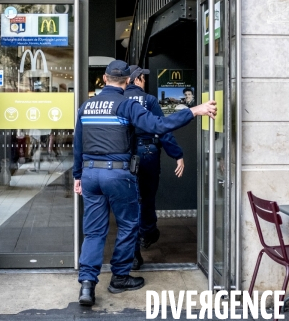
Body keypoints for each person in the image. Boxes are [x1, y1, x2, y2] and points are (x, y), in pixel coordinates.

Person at [73, 60, 217, 306]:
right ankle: (119, 277)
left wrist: (77, 175)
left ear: (105, 79)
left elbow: (78, 144)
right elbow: (159, 126)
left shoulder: (86, 107)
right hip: (118, 175)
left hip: (90, 175)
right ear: (127, 81)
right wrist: (194, 110)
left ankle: (87, 285)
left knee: (94, 231)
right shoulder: (127, 105)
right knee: (129, 224)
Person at [124, 65, 185, 270]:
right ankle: (147, 233)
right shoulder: (149, 100)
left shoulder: (119, 100)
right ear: (137, 80)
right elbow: (163, 129)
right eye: (142, 77)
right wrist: (177, 155)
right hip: (148, 152)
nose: (144, 80)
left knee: (130, 203)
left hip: (125, 155)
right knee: (147, 198)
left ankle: (133, 255)